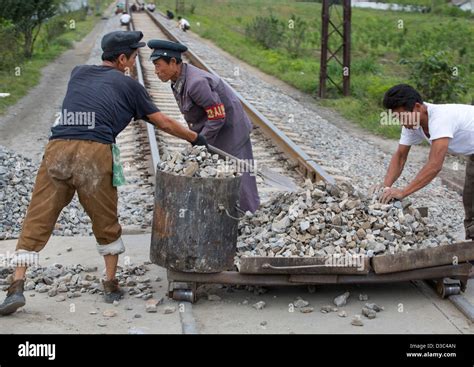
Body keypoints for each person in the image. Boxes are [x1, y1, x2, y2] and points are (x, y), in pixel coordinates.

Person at [0, 31, 206, 316]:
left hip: (57, 148)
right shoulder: (130, 86)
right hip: (95, 153)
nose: (133, 64)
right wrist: (195, 139)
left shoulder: (78, 72)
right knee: (105, 218)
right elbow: (164, 122)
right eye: (133, 58)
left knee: (38, 216)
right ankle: (110, 284)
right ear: (122, 58)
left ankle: (17, 285)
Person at [148, 39, 260, 213]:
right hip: (216, 130)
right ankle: (229, 214)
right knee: (220, 172)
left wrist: (201, 141)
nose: (156, 71)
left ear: (173, 62)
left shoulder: (196, 83)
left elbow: (217, 116)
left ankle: (251, 215)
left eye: (158, 65)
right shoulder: (177, 80)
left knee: (240, 173)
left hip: (232, 131)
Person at [375, 84, 473, 241]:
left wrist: (403, 192)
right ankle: (470, 253)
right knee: (471, 204)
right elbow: (400, 156)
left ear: (418, 107)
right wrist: (385, 187)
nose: (401, 122)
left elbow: (434, 165)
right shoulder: (411, 123)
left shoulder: (441, 118)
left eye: (402, 117)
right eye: (397, 118)